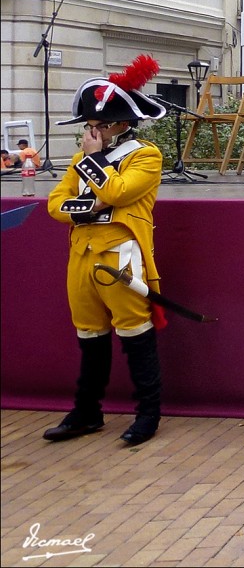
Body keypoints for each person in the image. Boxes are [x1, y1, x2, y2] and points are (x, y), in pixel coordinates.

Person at [44, 54, 169, 446]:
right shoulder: (83, 160)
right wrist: (89, 207)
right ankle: (87, 412)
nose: (92, 132)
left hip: (121, 257)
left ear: (122, 125)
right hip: (81, 255)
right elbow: (55, 204)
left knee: (136, 337)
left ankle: (148, 414)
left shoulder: (145, 156)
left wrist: (96, 162)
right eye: (90, 125)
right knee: (90, 338)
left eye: (100, 125)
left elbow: (116, 192)